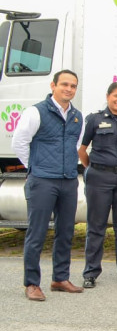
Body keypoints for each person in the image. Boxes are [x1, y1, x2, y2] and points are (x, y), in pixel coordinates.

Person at [11, 70, 84, 301]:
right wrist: (36, 167)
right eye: (64, 84)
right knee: (37, 232)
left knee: (66, 232)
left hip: (68, 181)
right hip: (43, 181)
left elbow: (76, 146)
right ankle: (32, 283)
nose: (69, 89)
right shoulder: (36, 112)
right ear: (53, 85)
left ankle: (60, 278)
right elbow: (19, 143)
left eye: (73, 86)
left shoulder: (77, 116)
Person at [79, 82, 117, 288]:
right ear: (108, 97)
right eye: (115, 96)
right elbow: (82, 149)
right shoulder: (95, 119)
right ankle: (90, 273)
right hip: (99, 178)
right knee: (96, 227)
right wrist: (94, 168)